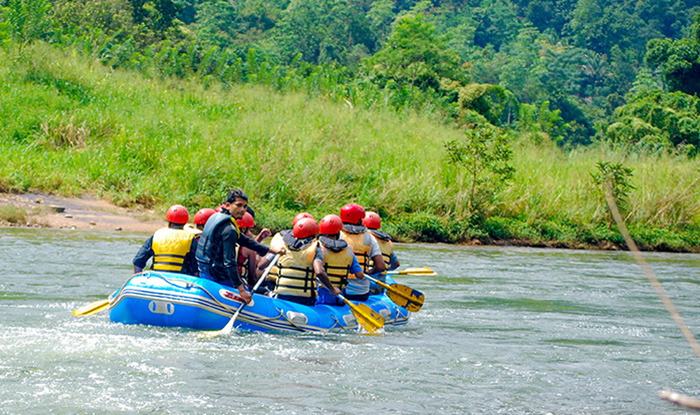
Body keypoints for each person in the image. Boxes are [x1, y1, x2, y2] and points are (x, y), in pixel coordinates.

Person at [196, 189, 285, 304]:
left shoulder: (216, 217)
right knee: (251, 297)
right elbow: (229, 262)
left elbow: (244, 240)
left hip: (204, 269)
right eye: (239, 205)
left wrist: (271, 250)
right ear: (228, 205)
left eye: (245, 206)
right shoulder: (229, 229)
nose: (243, 210)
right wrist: (241, 290)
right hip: (217, 275)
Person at [259, 217, 336, 306]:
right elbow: (319, 271)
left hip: (281, 296)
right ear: (315, 234)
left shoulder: (283, 246)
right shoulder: (315, 247)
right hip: (305, 299)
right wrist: (332, 289)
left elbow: (261, 265)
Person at [133, 204, 198, 276]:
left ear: (169, 221)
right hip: (181, 280)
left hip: (157, 278)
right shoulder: (190, 238)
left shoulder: (157, 235)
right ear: (185, 222)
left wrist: (138, 278)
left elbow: (138, 262)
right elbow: (195, 268)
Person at [339, 203, 386, 301]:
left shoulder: (336, 235)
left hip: (338, 291)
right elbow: (381, 266)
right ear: (360, 220)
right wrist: (367, 273)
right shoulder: (369, 237)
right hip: (360, 292)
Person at [315, 214, 363, 306]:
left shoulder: (316, 248)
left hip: (319, 299)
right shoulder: (348, 251)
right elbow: (359, 274)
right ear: (338, 233)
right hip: (339, 298)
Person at [363, 211, 400, 294]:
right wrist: (385, 269)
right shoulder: (387, 242)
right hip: (380, 286)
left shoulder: (364, 238)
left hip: (366, 285)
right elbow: (396, 264)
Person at [236, 211, 270, 288]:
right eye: (249, 230)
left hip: (226, 280)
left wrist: (259, 238)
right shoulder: (248, 250)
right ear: (244, 229)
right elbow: (252, 278)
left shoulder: (225, 241)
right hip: (241, 284)